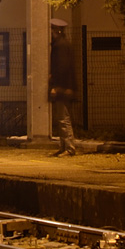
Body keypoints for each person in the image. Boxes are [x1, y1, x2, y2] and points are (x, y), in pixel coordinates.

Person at [49, 18, 79, 156]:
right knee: (62, 117)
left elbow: (62, 68)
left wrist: (56, 86)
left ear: (56, 31)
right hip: (66, 87)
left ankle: (69, 148)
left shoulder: (59, 46)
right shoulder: (64, 44)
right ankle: (64, 146)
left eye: (52, 29)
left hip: (62, 87)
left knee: (63, 118)